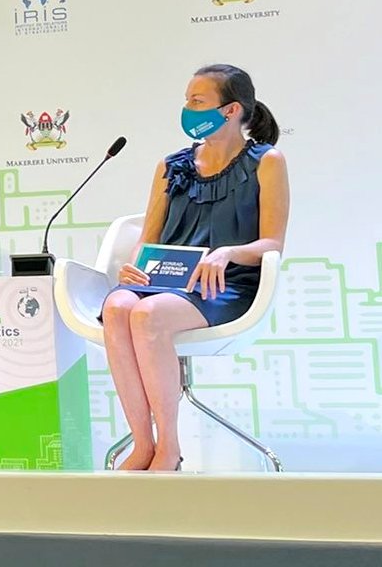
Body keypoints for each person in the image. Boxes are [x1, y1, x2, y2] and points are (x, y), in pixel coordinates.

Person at [102, 65, 289, 471]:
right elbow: (147, 239)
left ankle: (169, 446)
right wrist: (133, 268)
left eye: (198, 101)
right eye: (187, 100)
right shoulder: (171, 166)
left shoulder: (266, 161)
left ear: (231, 110)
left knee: (148, 314)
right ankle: (142, 443)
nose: (188, 109)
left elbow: (272, 242)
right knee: (117, 306)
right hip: (164, 277)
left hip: (225, 284)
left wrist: (226, 253)